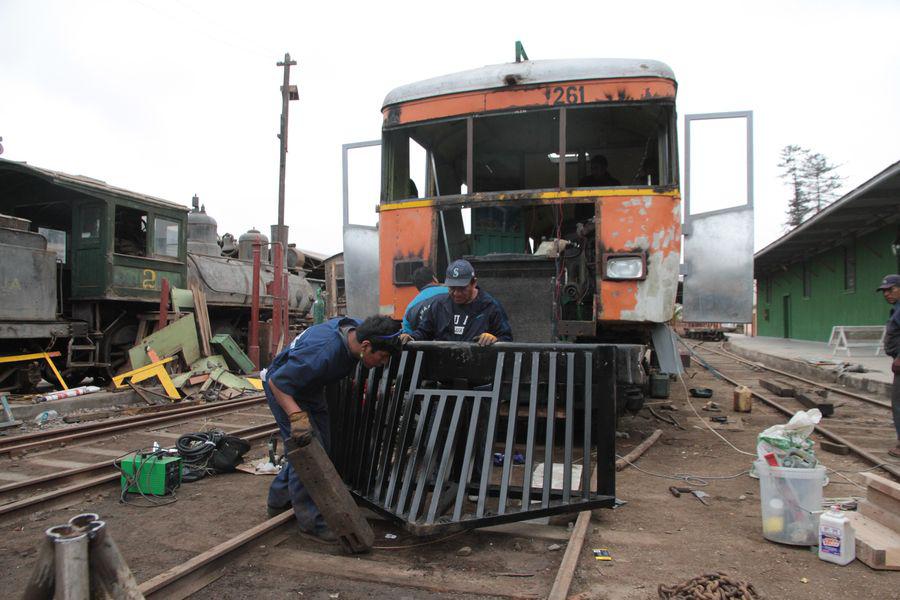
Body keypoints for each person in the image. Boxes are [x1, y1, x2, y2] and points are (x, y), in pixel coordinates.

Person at [262, 315, 400, 540]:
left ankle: (278, 501)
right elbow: (277, 382)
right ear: (366, 346)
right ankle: (311, 523)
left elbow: (383, 327)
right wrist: (296, 416)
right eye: (382, 356)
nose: (383, 362)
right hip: (286, 391)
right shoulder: (322, 353)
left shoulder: (357, 330)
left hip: (311, 387)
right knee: (308, 452)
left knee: (321, 448)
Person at [401, 259, 512, 345]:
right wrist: (412, 337)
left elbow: (506, 339)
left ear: (474, 283)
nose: (456, 293)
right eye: (452, 288)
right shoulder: (439, 305)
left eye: (462, 288)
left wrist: (494, 339)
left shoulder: (490, 306)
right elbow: (424, 331)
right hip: (445, 368)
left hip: (478, 368)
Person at [877, 274, 900, 458]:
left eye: (891, 289)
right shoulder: (896, 309)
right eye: (884, 291)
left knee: (899, 403)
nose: (887, 294)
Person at [401, 267, 448, 334]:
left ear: (416, 286)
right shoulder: (450, 292)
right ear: (434, 278)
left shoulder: (410, 307)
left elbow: (407, 333)